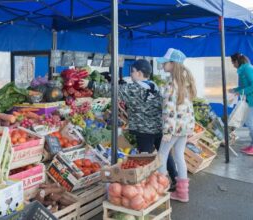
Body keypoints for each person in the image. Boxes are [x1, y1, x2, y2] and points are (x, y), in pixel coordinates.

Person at [79, 59, 178, 189]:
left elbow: (113, 90)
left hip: (144, 131)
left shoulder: (136, 88)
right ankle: (175, 179)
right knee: (164, 154)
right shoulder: (154, 85)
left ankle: (147, 187)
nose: (131, 74)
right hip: (158, 127)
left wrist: (90, 84)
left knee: (144, 160)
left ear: (139, 73)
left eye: (132, 71)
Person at [157, 48, 196, 203]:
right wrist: (191, 128)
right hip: (184, 127)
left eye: (164, 62)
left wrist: (167, 130)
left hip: (172, 128)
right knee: (179, 156)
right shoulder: (186, 82)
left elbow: (169, 110)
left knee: (161, 155)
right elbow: (189, 109)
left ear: (172, 64)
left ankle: (161, 190)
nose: (162, 65)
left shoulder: (171, 85)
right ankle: (182, 193)